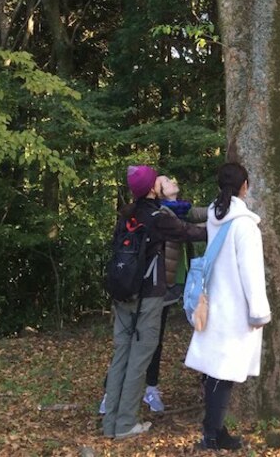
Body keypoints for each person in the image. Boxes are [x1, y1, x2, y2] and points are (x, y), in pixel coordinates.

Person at [102, 165, 207, 440]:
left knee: (121, 356)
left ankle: (111, 421)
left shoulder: (127, 216)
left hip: (123, 295)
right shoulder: (157, 217)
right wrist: (229, 224)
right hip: (148, 297)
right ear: (152, 189)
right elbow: (190, 232)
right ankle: (126, 424)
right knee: (139, 358)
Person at [184, 162, 271, 451]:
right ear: (245, 186)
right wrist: (258, 311)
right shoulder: (244, 225)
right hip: (235, 308)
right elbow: (251, 272)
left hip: (213, 303)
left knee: (216, 371)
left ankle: (215, 431)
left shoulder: (215, 217)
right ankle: (212, 434)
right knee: (224, 373)